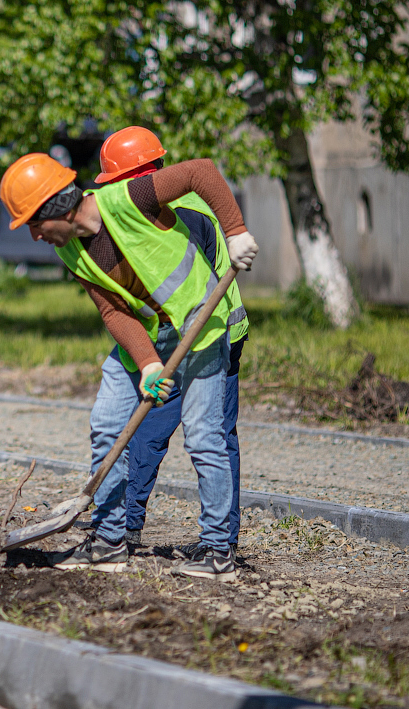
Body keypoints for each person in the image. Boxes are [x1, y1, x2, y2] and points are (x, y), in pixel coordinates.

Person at [0, 149, 257, 580]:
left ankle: (217, 551)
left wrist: (236, 232)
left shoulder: (128, 198)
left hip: (200, 327)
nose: (34, 237)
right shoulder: (69, 252)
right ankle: (108, 542)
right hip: (148, 339)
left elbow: (199, 172)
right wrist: (149, 365)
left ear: (56, 208)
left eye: (34, 224)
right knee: (105, 422)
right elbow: (114, 311)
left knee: (204, 438)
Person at [92, 128, 250, 560]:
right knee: (216, 435)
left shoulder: (174, 212)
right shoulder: (189, 202)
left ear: (140, 176)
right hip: (211, 331)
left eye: (119, 181)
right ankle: (221, 539)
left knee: (170, 430)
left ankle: (134, 526)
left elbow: (177, 288)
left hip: (205, 335)